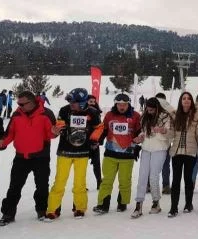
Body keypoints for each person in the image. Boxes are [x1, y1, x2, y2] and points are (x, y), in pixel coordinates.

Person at [0, 90, 59, 226]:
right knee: (14, 187)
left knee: (42, 186)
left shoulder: (46, 113)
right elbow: (10, 134)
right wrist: (2, 143)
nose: (20, 106)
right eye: (18, 103)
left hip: (41, 157)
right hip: (21, 157)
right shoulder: (17, 114)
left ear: (32, 102)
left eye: (23, 104)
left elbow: (51, 134)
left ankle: (41, 210)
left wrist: (54, 133)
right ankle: (8, 214)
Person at [46, 88, 102, 219]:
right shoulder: (64, 110)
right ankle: (53, 209)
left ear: (82, 102)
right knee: (59, 182)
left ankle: (79, 207)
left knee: (80, 183)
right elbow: (59, 124)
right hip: (65, 151)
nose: (71, 104)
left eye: (74, 102)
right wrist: (57, 129)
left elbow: (99, 127)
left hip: (82, 153)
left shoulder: (93, 112)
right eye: (70, 101)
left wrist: (94, 139)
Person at [93, 93, 142, 214]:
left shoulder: (135, 116)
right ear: (116, 104)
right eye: (119, 104)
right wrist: (97, 141)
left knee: (125, 180)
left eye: (124, 104)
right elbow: (104, 130)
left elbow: (140, 131)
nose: (122, 107)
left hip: (127, 155)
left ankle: (122, 203)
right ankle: (103, 204)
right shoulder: (110, 115)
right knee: (107, 180)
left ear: (128, 104)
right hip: (110, 154)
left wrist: (138, 144)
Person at [168, 92, 198, 217]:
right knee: (176, 181)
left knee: (188, 179)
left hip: (190, 151)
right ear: (180, 101)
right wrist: (165, 130)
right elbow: (171, 135)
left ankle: (188, 204)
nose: (186, 100)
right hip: (177, 151)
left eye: (189, 98)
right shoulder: (175, 115)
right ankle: (174, 207)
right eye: (184, 98)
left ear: (192, 101)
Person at [132, 97, 172, 217]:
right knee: (142, 176)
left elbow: (169, 135)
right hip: (146, 148)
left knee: (153, 176)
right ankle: (138, 204)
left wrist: (161, 131)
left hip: (159, 149)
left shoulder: (165, 117)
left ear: (157, 108)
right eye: (147, 108)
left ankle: (156, 202)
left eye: (151, 109)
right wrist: (140, 137)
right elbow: (143, 131)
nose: (149, 110)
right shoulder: (144, 116)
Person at [155, 92, 175, 194]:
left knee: (152, 165)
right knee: (165, 164)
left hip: (153, 142)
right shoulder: (169, 109)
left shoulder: (151, 109)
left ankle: (149, 185)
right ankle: (166, 186)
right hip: (165, 142)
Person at [86, 94, 104, 189]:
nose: (92, 103)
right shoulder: (83, 112)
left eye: (93, 101)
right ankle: (82, 184)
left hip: (94, 142)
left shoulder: (97, 112)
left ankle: (99, 181)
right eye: (90, 101)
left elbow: (100, 128)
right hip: (84, 142)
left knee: (96, 163)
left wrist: (98, 141)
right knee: (82, 164)